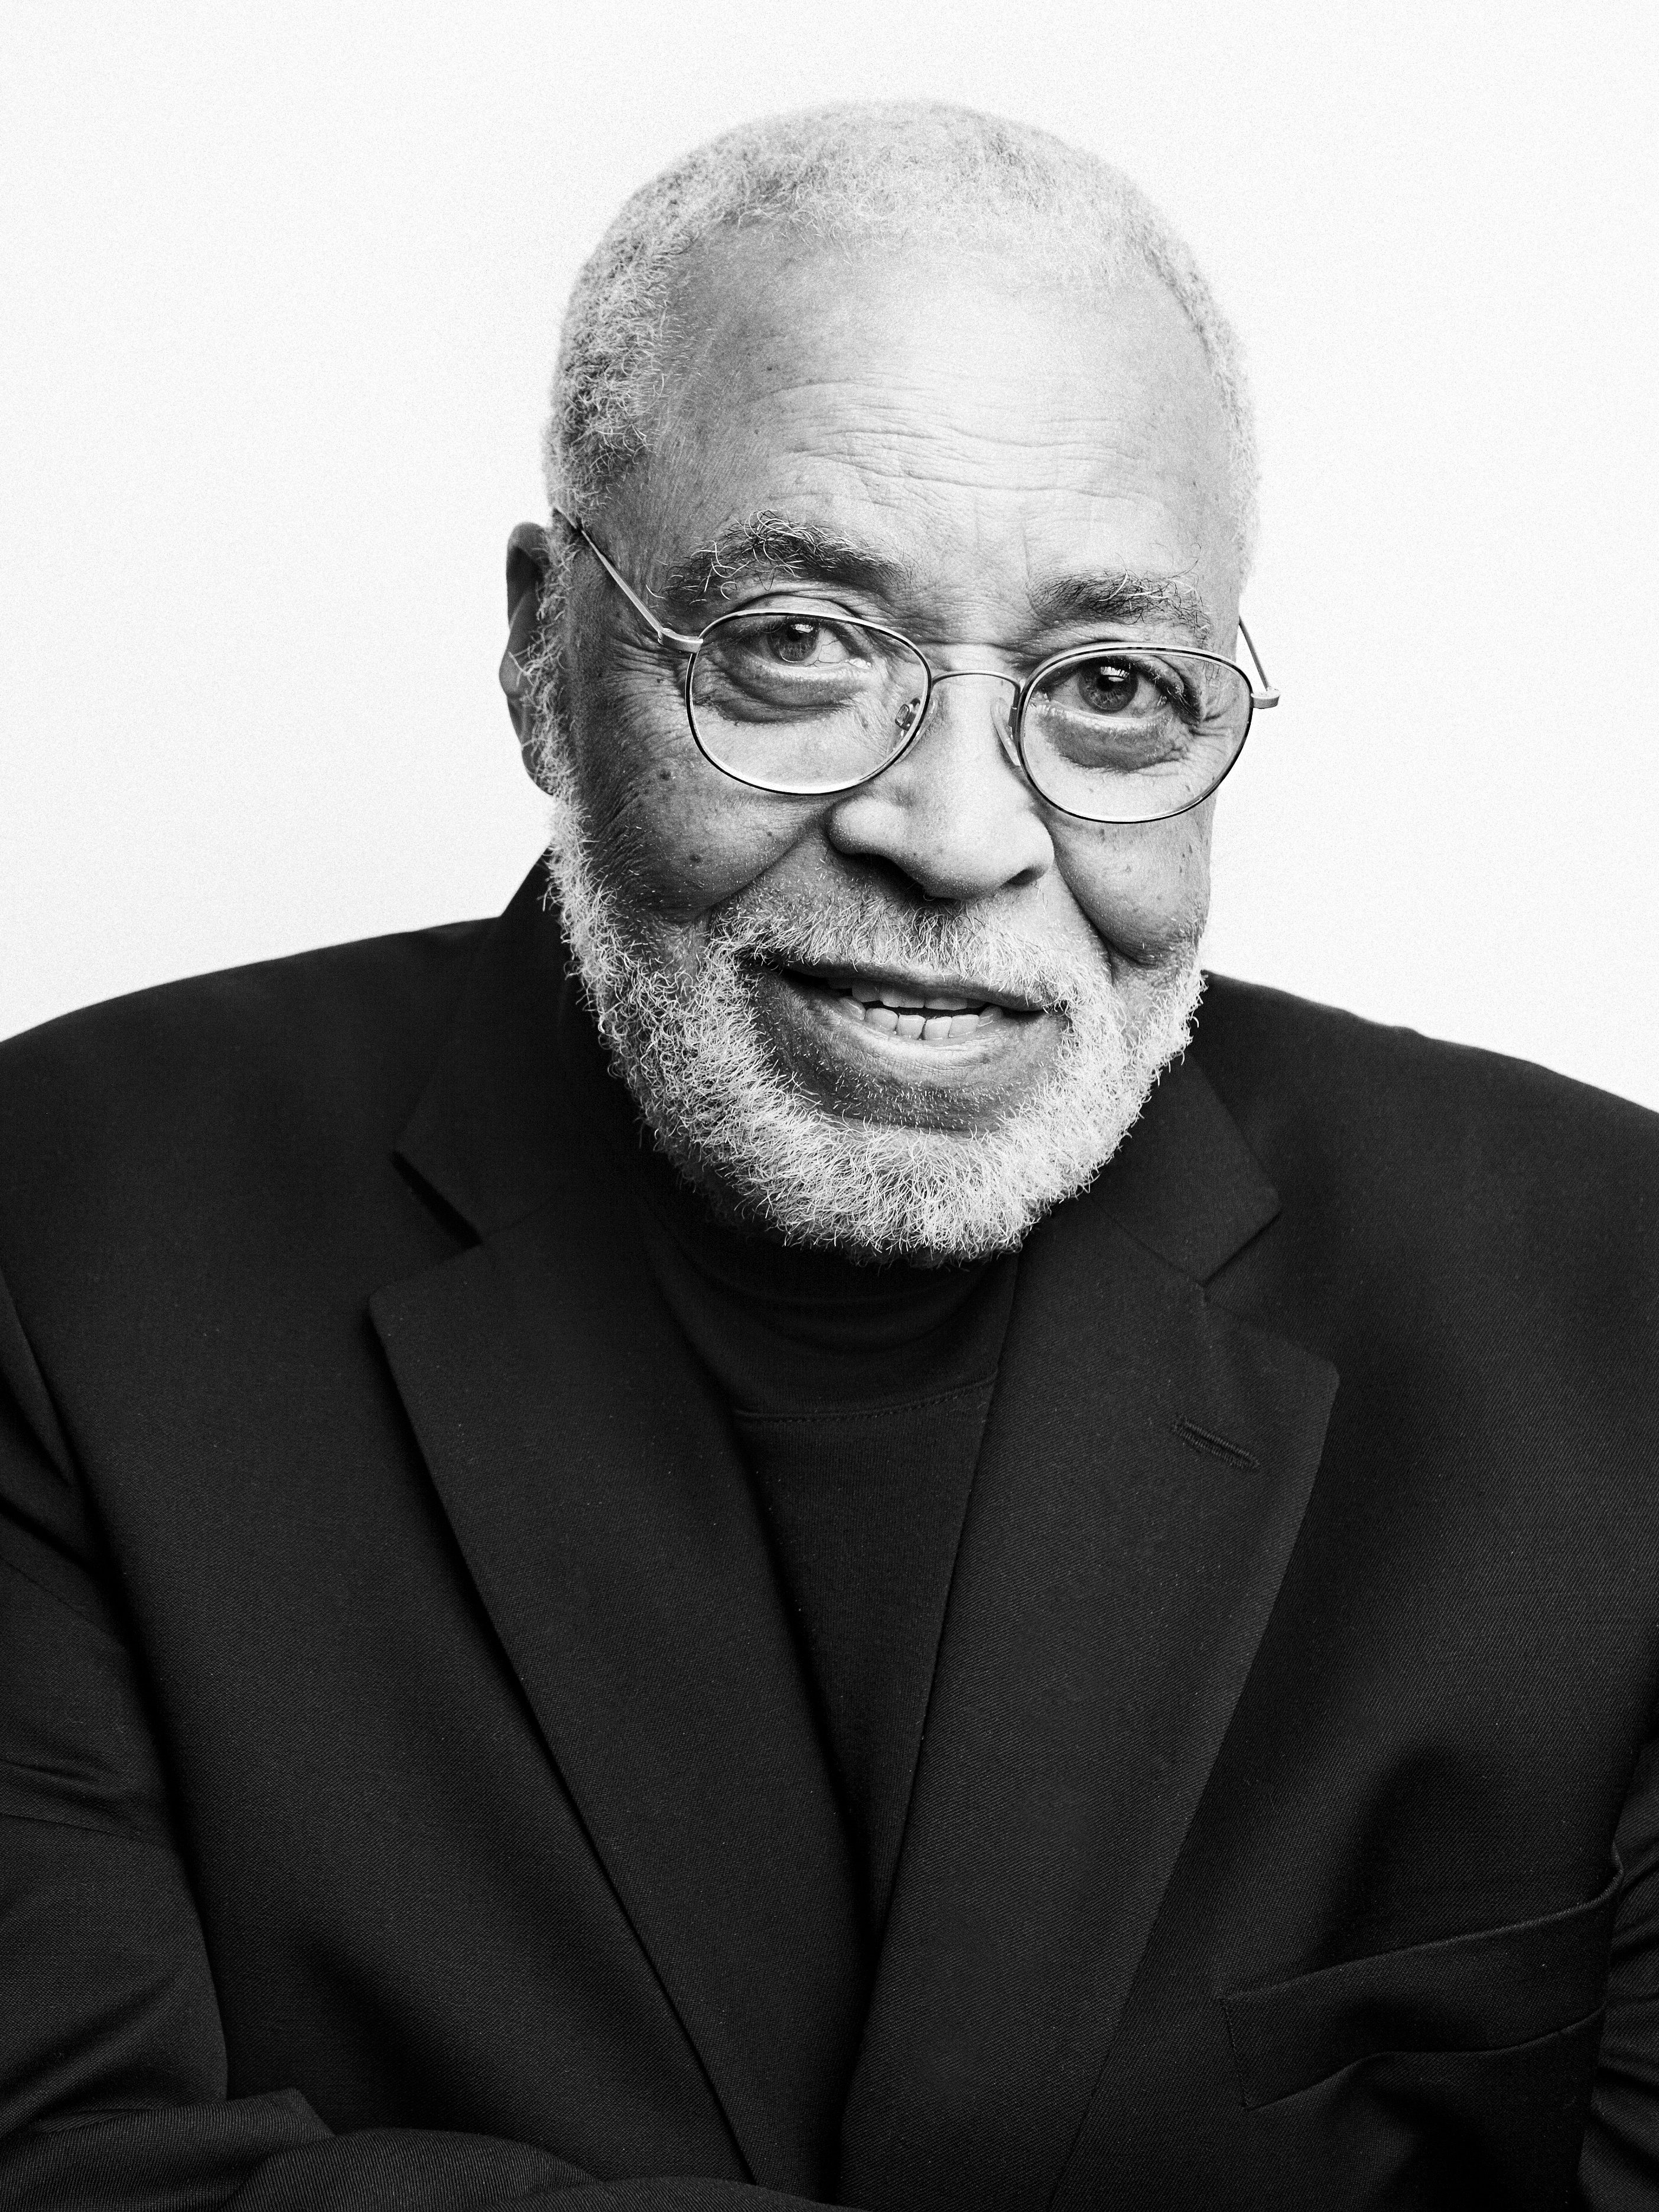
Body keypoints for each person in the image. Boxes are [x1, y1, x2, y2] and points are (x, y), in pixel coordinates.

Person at [1, 100, 1655, 2212]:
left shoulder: (1622, 1313)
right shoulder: (58, 1242)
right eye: (798, 642)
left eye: (1114, 683)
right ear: (544, 658)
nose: (957, 836)